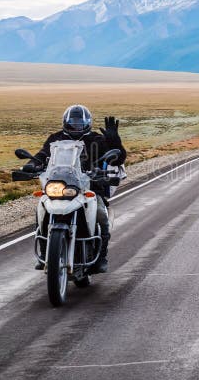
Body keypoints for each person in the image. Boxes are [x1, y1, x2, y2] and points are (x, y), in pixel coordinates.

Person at [23, 104, 126, 273]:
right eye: (73, 122)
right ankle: (44, 253)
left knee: (101, 214)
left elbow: (118, 159)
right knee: (41, 208)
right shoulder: (55, 139)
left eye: (80, 122)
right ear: (66, 122)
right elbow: (42, 155)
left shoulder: (97, 139)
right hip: (60, 186)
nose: (76, 125)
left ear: (87, 123)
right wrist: (31, 164)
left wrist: (115, 142)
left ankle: (100, 258)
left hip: (90, 187)